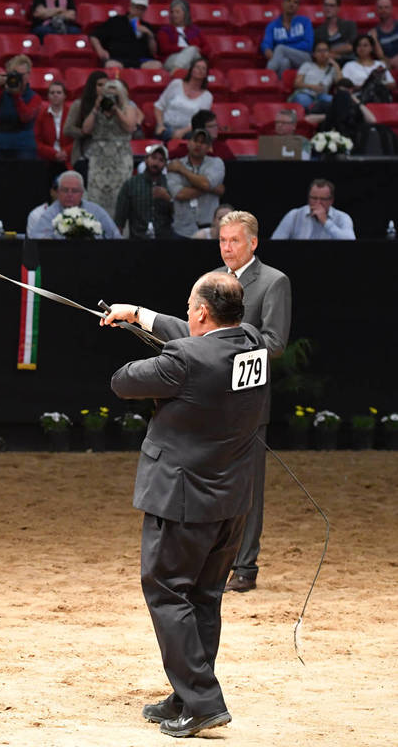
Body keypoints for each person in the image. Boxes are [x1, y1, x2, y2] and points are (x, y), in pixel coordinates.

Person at [103, 270, 271, 738]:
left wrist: (159, 350)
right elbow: (201, 339)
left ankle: (202, 701)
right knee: (203, 596)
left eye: (190, 308)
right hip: (231, 498)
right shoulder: (252, 342)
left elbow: (123, 381)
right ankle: (185, 695)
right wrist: (138, 315)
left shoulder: (184, 359)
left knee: (166, 591)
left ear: (201, 312)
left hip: (183, 498)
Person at [212, 211, 291, 593]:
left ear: (253, 243)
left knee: (248, 488)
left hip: (248, 399)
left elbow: (275, 342)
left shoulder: (274, 282)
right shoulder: (211, 280)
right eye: (223, 240)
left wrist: (228, 339)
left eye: (234, 241)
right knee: (213, 482)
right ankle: (216, 561)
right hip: (212, 398)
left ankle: (245, 566)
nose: (227, 248)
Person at [84, 79, 140, 220]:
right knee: (96, 195)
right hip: (99, 159)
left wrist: (116, 110)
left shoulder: (128, 108)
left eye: (114, 95)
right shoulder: (97, 109)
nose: (110, 98)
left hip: (120, 158)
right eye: (108, 95)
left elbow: (130, 127)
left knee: (119, 195)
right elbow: (86, 129)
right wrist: (96, 108)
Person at [0, 54, 42, 160]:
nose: (19, 78)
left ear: (29, 75)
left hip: (23, 145)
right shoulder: (0, 92)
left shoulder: (34, 97)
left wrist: (16, 96)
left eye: (22, 75)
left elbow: (26, 117)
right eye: (15, 74)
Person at [168, 128, 225, 239]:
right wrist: (212, 188)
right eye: (195, 140)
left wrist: (182, 170)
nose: (198, 145)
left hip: (209, 228)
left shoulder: (216, 163)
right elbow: (179, 194)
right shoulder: (174, 163)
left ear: (209, 147)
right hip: (181, 229)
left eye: (203, 142)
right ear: (188, 143)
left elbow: (206, 184)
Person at [31, 170, 122, 239]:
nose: (69, 194)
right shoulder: (50, 214)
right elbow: (36, 239)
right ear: (58, 192)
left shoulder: (96, 211)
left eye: (74, 191)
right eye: (65, 190)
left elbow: (116, 237)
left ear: (82, 193)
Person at [113, 143, 173, 239]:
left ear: (165, 164)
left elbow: (180, 218)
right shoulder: (131, 184)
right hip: (137, 240)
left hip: (165, 241)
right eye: (153, 158)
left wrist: (168, 198)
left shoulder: (170, 184)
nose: (156, 163)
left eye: (161, 160)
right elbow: (119, 220)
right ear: (146, 159)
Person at [90, 0, 161, 69]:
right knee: (111, 65)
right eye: (137, 8)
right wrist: (100, 50)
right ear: (130, 7)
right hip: (118, 59)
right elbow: (94, 36)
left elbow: (153, 52)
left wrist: (150, 35)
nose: (139, 11)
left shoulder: (147, 26)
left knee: (156, 65)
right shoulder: (115, 21)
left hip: (140, 60)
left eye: (142, 9)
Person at [270, 178, 355, 240]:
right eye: (314, 198)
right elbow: (275, 242)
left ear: (331, 200)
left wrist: (325, 222)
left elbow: (350, 241)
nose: (318, 203)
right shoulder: (294, 215)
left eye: (323, 199)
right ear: (308, 198)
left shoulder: (342, 217)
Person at [153, 58, 212, 142]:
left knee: (199, 136)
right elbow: (159, 106)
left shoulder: (207, 96)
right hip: (167, 126)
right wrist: (160, 125)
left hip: (188, 131)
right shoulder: (176, 84)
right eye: (197, 67)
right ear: (191, 69)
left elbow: (200, 120)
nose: (200, 70)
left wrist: (182, 131)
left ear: (206, 73)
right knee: (167, 132)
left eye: (203, 68)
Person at [62, 70, 107, 171]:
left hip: (105, 155)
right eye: (100, 85)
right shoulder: (79, 104)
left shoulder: (110, 105)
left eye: (106, 85)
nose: (103, 88)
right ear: (92, 86)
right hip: (83, 154)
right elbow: (67, 129)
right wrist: (84, 133)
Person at [262, 0, 313, 78]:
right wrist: (267, 49)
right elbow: (266, 43)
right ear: (282, 4)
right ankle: (279, 84)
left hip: (303, 58)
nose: (291, 4)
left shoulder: (305, 22)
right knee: (284, 62)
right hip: (281, 57)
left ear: (298, 7)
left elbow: (308, 45)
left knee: (280, 48)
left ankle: (267, 75)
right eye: (288, 1)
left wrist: (284, 48)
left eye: (295, 2)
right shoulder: (273, 25)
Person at [156, 0, 209, 73]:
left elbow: (207, 47)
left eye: (177, 12)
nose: (174, 15)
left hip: (195, 57)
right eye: (172, 12)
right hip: (172, 59)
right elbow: (165, 49)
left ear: (185, 14)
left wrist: (198, 51)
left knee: (193, 54)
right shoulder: (165, 30)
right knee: (192, 51)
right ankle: (178, 70)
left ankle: (176, 72)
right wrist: (186, 49)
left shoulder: (195, 30)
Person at [289, 40, 341, 112]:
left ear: (329, 53)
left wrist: (336, 65)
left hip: (322, 96)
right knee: (304, 100)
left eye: (325, 50)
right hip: (305, 93)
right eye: (319, 51)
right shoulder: (307, 65)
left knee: (336, 101)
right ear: (314, 54)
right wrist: (312, 87)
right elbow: (297, 83)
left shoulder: (332, 69)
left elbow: (341, 84)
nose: (322, 53)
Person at [168, 109, 235, 163]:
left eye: (216, 125)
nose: (216, 129)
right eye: (211, 126)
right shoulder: (184, 151)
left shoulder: (222, 148)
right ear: (199, 130)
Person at [314, 0, 357, 65]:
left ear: (338, 9)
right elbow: (318, 52)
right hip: (328, 64)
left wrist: (328, 51)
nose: (328, 8)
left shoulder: (349, 25)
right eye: (326, 5)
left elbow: (351, 47)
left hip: (349, 62)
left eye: (332, 6)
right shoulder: (318, 31)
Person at [35, 80, 69, 164]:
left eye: (59, 92)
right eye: (52, 92)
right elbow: (37, 142)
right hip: (47, 158)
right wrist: (54, 154)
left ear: (64, 96)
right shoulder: (41, 115)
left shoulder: (72, 114)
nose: (55, 95)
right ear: (48, 96)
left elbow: (77, 140)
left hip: (68, 157)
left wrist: (65, 152)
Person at [369, 0, 398, 70]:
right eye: (380, 8)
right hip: (387, 65)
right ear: (376, 11)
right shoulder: (373, 32)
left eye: (386, 7)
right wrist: (375, 39)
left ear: (391, 9)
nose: (383, 10)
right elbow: (380, 56)